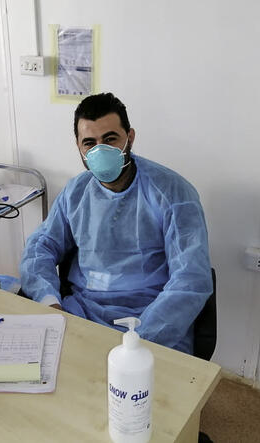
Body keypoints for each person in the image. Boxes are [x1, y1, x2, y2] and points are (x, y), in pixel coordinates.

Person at [19, 92, 212, 354]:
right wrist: (49, 301)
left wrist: (138, 341)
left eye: (110, 139)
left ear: (129, 137)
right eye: (90, 143)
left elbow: (190, 279)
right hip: (84, 311)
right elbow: (40, 247)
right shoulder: (76, 192)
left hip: (151, 317)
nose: (100, 151)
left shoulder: (172, 193)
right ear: (79, 147)